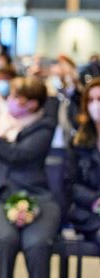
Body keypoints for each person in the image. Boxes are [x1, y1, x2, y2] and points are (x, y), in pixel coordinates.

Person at [0, 76, 60, 278]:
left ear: (33, 104)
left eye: (18, 97)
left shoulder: (44, 127)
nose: (10, 100)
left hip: (36, 196)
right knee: (5, 239)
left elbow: (17, 155)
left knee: (37, 244)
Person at [68, 77, 100, 246]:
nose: (96, 105)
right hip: (88, 213)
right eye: (91, 100)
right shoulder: (78, 141)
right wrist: (95, 200)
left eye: (99, 99)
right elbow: (71, 183)